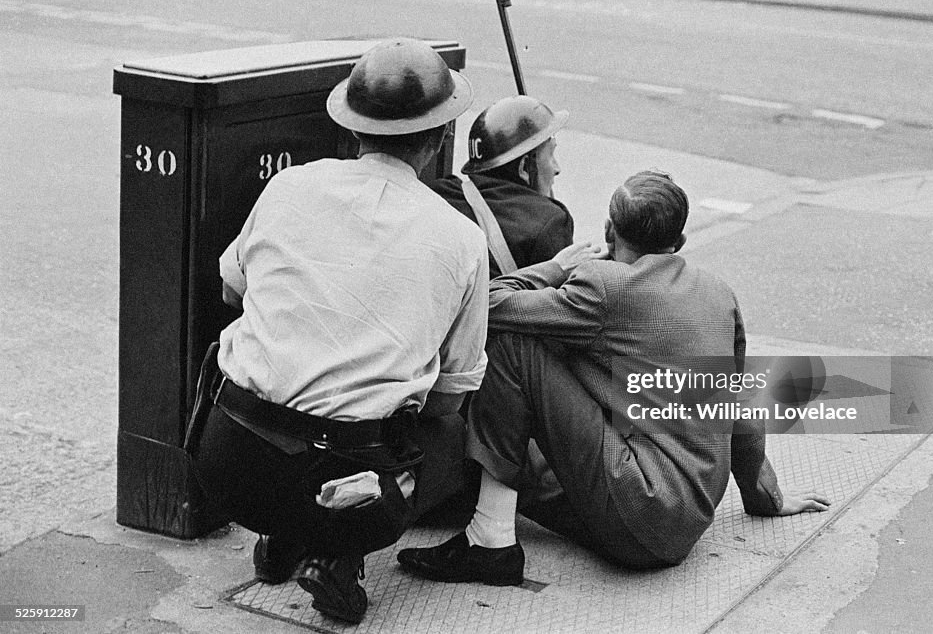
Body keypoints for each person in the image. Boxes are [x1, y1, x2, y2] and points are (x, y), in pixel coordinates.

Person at [397, 171, 830, 582]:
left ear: (609, 230)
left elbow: (489, 303)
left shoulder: (602, 286)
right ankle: (484, 509)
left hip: (637, 513)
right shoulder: (718, 293)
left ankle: (488, 541)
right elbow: (737, 407)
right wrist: (765, 498)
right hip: (687, 520)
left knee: (515, 346)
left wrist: (555, 267)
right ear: (678, 242)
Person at [189, 37, 489, 623]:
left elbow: (231, 289)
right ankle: (337, 555)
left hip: (226, 462)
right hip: (348, 486)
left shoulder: (289, 186)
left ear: (354, 129)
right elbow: (452, 395)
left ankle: (284, 538)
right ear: (437, 138)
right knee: (446, 439)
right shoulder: (462, 239)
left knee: (277, 410)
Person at [429, 95, 573, 279]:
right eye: (551, 155)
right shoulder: (550, 222)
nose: (556, 168)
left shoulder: (440, 194)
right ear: (524, 168)